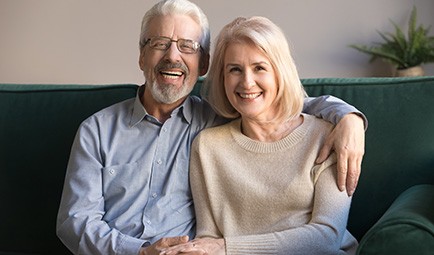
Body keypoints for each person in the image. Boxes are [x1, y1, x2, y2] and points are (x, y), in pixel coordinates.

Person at [56, 1, 365, 255]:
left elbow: (278, 104)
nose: (172, 56)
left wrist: (349, 117)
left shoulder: (218, 118)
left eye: (187, 46)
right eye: (159, 43)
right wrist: (139, 251)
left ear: (203, 65)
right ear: (141, 55)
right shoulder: (97, 130)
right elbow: (75, 221)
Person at [160, 16, 359, 255]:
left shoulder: (326, 136)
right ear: (223, 79)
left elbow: (327, 237)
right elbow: (208, 237)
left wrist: (226, 247)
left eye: (259, 68)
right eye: (234, 69)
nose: (247, 82)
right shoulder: (207, 146)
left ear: (280, 73)